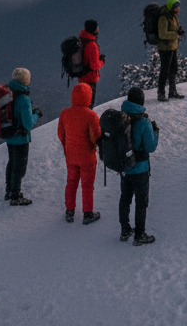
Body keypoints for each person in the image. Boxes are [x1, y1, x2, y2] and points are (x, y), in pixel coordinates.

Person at [118, 86, 159, 245]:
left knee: (125, 198)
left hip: (125, 167)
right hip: (140, 169)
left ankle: (125, 230)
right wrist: (155, 132)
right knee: (141, 202)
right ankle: (140, 234)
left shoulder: (121, 118)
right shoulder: (144, 122)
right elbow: (150, 147)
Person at [57, 81, 102, 224]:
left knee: (71, 182)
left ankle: (69, 211)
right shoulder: (91, 115)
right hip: (87, 156)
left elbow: (60, 134)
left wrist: (67, 146)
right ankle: (87, 214)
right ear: (89, 97)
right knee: (87, 185)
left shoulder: (65, 113)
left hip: (71, 156)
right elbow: (95, 137)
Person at [5, 67, 43, 206]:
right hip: (21, 137)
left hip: (9, 135)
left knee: (11, 162)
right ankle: (15, 196)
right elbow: (27, 124)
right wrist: (35, 115)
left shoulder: (8, 93)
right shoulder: (24, 98)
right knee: (19, 167)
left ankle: (9, 191)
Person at [156, 0, 185, 102]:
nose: (178, 9)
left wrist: (179, 31)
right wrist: (176, 34)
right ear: (170, 7)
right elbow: (162, 34)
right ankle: (161, 93)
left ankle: (172, 91)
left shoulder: (173, 16)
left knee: (173, 69)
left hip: (173, 46)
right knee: (165, 70)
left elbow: (174, 29)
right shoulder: (163, 18)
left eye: (178, 7)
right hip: (165, 48)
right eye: (175, 7)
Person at [78, 20, 106, 107]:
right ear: (94, 29)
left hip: (81, 75)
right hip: (90, 78)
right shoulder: (92, 44)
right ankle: (87, 120)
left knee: (82, 102)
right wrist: (102, 62)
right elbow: (94, 65)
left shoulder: (82, 40)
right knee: (89, 104)